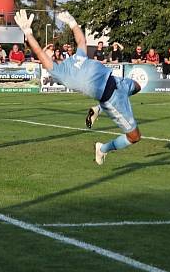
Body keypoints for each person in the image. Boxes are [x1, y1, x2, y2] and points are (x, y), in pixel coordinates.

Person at [14, 9, 143, 166]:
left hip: (117, 82)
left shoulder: (74, 58)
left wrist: (72, 23)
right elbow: (39, 51)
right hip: (113, 99)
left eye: (49, 49)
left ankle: (98, 109)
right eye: (46, 51)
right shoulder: (58, 72)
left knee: (137, 87)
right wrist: (28, 33)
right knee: (134, 137)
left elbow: (82, 41)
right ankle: (102, 149)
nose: (48, 50)